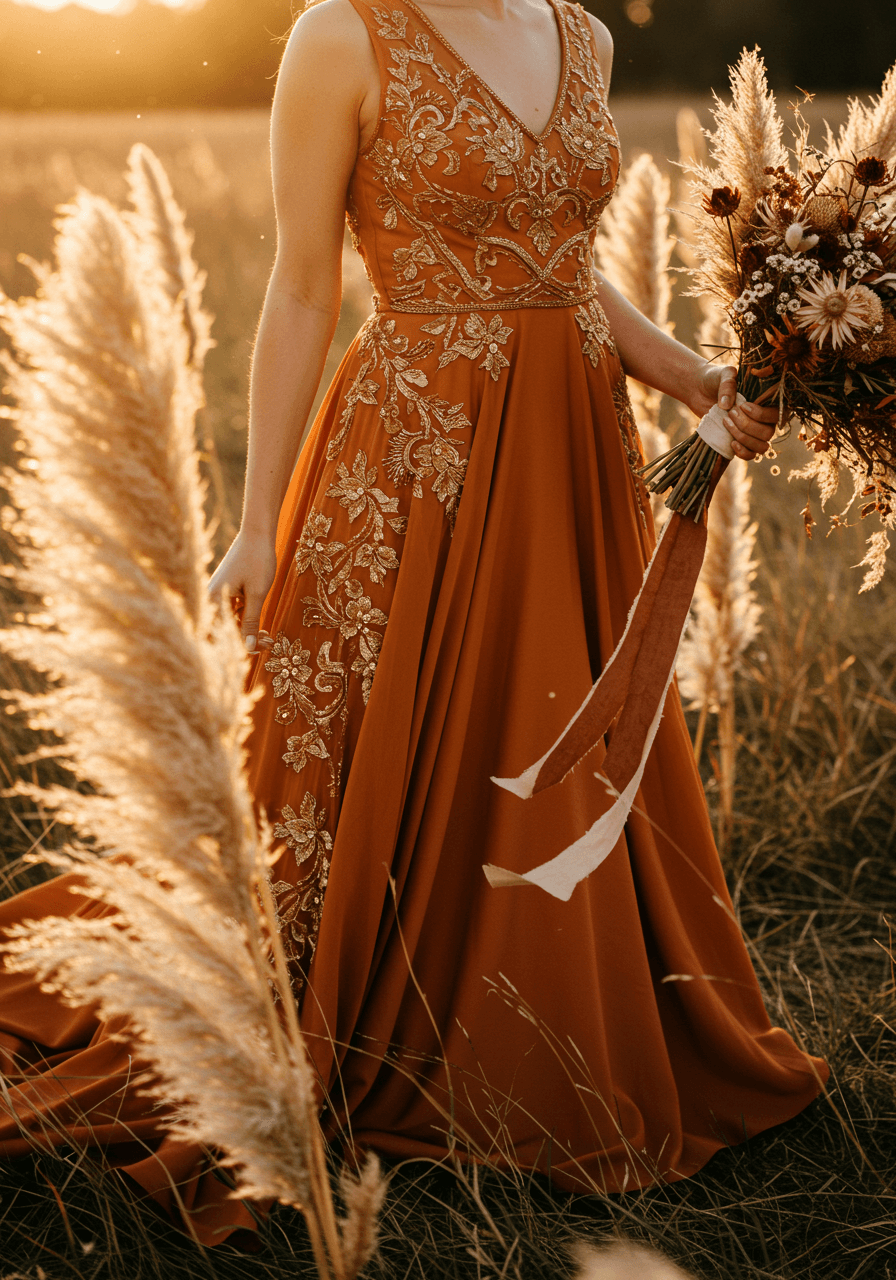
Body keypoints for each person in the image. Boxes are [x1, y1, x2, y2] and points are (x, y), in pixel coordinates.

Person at [0, 0, 828, 1247]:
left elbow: (558, 263)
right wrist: (256, 520)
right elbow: (297, 287)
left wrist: (686, 375)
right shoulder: (344, 33)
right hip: (416, 456)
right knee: (378, 763)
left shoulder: (584, 36)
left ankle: (545, 1008)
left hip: (571, 457)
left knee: (562, 719)